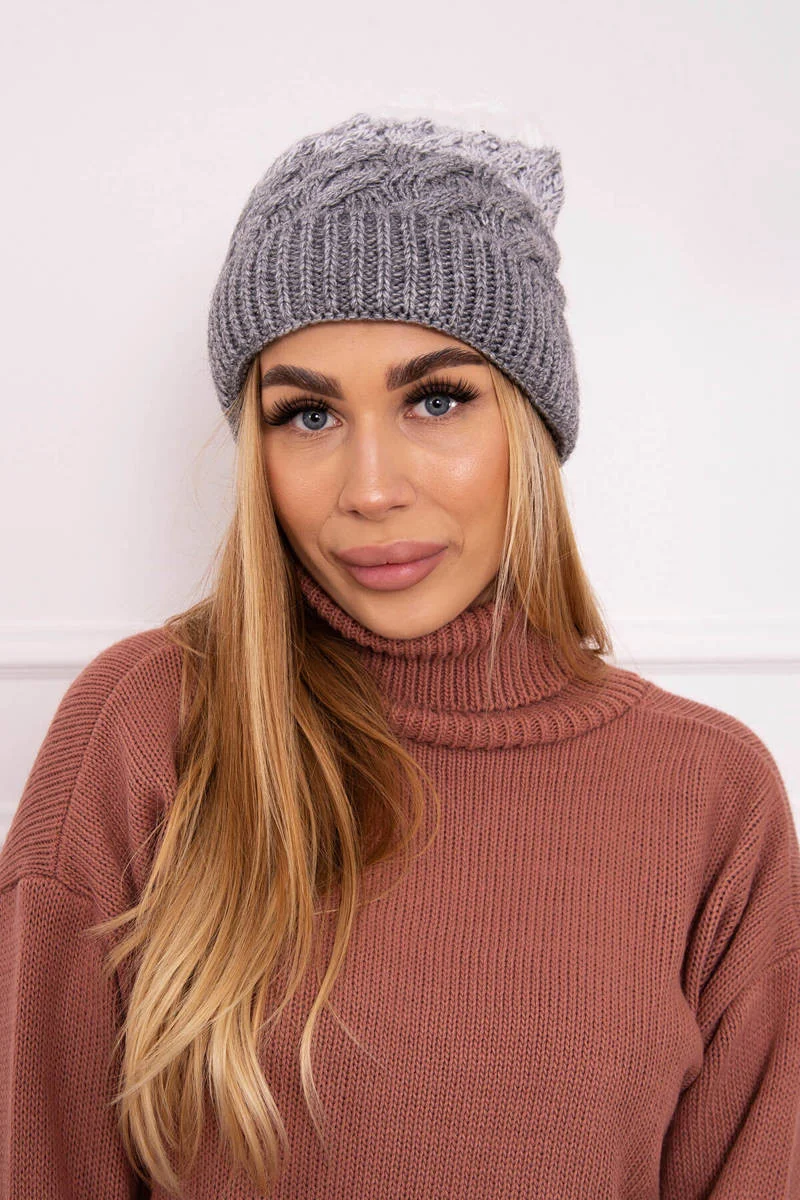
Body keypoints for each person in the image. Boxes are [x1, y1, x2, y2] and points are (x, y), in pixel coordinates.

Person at [1, 109, 799, 1200]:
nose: (371, 489)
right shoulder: (147, 727)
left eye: (436, 399)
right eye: (307, 416)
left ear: (530, 424)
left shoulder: (709, 791)